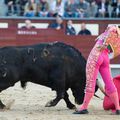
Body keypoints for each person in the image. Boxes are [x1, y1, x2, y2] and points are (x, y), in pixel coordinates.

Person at [73, 25, 120, 115]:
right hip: (105, 57)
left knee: (90, 82)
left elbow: (111, 29)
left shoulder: (114, 28)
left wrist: (104, 44)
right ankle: (118, 108)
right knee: (110, 83)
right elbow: (115, 52)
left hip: (96, 55)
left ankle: (84, 107)